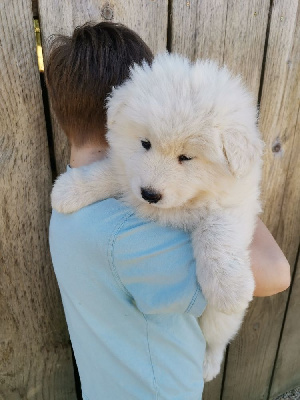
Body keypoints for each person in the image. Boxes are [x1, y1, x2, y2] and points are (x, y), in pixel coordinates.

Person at [46, 22, 290, 400]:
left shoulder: (70, 217)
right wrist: (235, 195)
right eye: (145, 143)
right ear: (119, 110)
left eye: (183, 157)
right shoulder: (127, 239)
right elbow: (276, 274)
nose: (151, 183)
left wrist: (231, 187)